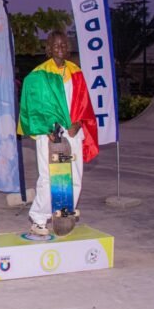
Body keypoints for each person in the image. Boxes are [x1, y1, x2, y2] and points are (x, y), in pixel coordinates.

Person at [18, 31, 99, 236]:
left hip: (73, 132)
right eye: (55, 45)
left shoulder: (75, 72)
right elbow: (35, 107)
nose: (60, 48)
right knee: (48, 178)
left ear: (68, 47)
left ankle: (64, 212)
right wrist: (48, 129)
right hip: (50, 135)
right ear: (48, 48)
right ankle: (38, 219)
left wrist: (79, 123)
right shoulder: (38, 75)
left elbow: (84, 103)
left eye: (63, 44)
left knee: (74, 176)